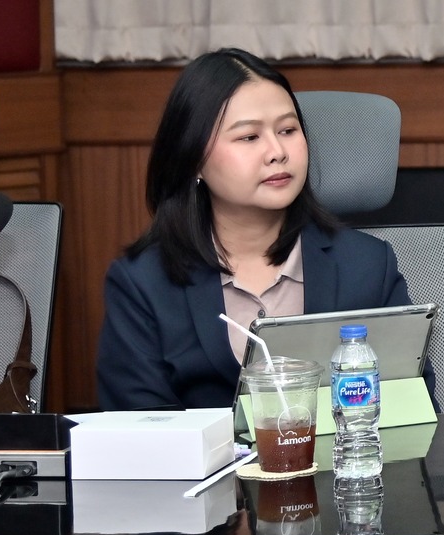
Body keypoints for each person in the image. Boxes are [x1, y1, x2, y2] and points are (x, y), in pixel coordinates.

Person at [96, 50, 411, 411]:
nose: (277, 152)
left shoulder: (368, 266)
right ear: (193, 158)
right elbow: (137, 428)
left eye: (288, 130)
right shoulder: (143, 283)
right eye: (249, 137)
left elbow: (410, 404)